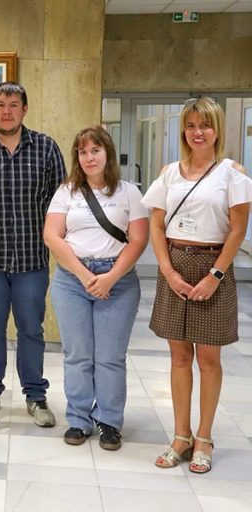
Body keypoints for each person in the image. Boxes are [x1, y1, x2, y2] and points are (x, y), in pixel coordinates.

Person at [142, 97, 251, 473]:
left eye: (204, 125)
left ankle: (204, 437)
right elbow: (156, 225)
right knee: (178, 356)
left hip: (212, 265)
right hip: (175, 263)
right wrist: (168, 271)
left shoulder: (232, 174)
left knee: (208, 358)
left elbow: (237, 230)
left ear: (217, 129)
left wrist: (215, 276)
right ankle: (181, 435)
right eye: (190, 125)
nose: (197, 132)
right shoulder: (169, 172)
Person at [0, 81, 66, 427]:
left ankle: (35, 396)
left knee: (31, 330)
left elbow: (60, 203)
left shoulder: (46, 148)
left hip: (31, 261)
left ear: (24, 109)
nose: (7, 111)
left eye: (14, 105)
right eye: (0, 105)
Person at [44, 126, 148, 450]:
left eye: (95, 150)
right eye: (83, 152)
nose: (89, 157)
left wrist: (110, 277)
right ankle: (78, 419)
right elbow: (52, 236)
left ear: (108, 154)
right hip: (72, 281)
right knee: (78, 355)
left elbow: (138, 240)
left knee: (109, 357)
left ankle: (109, 422)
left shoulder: (129, 193)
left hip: (118, 281)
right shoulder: (67, 192)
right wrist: (84, 275)